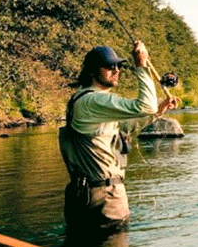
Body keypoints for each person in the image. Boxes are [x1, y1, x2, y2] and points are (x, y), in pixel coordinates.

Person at [59, 41, 177, 232]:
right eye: (108, 66)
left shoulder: (83, 99)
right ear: (92, 71)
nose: (116, 70)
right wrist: (141, 65)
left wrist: (158, 111)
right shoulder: (94, 100)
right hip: (105, 199)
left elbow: (124, 127)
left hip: (82, 198)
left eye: (119, 65)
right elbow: (145, 105)